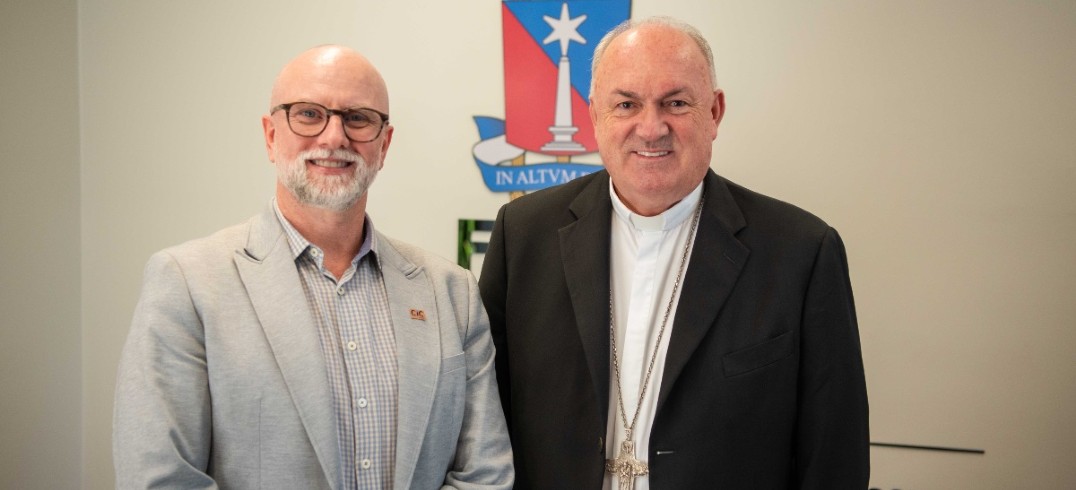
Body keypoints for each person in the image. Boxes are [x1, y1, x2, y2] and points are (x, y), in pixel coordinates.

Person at [479, 17, 869, 489]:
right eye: (626, 104)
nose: (651, 128)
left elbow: (833, 454)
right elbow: (482, 424)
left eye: (676, 103)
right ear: (594, 116)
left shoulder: (802, 252)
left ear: (715, 112)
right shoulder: (523, 234)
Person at [113, 45, 513, 489]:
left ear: (385, 144)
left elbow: (485, 473)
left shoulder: (450, 292)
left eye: (358, 118)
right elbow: (162, 479)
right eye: (308, 114)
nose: (334, 137)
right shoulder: (188, 283)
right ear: (270, 134)